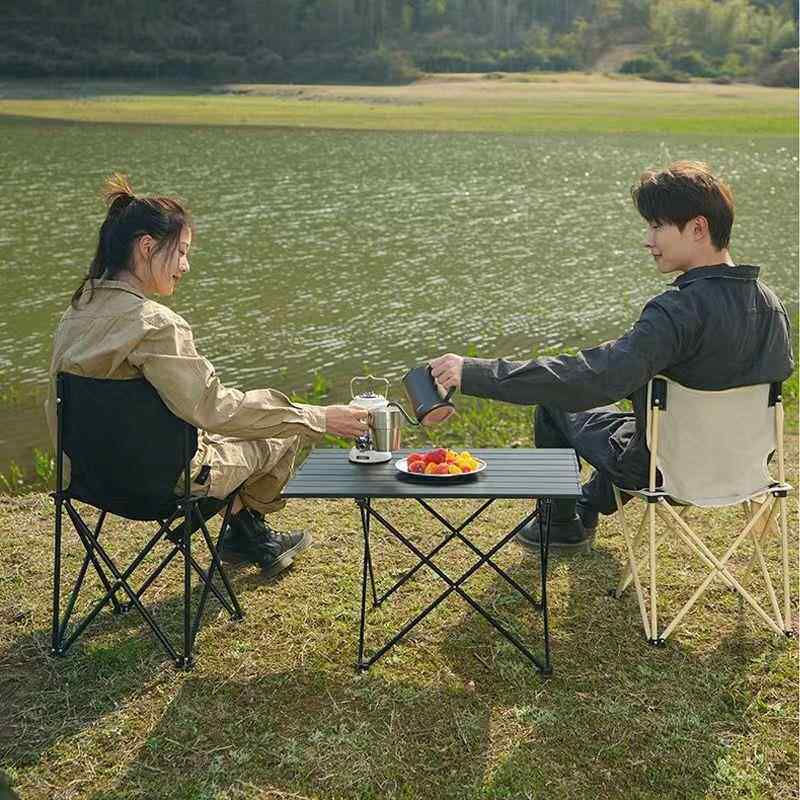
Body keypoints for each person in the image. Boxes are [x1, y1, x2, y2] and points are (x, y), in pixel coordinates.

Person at [429, 161, 794, 553]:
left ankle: (561, 524)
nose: (648, 240)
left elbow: (590, 381)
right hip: (744, 468)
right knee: (643, 425)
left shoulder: (676, 310)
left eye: (657, 226)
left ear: (698, 228)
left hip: (664, 471)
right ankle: (587, 504)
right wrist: (630, 354)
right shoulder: (771, 305)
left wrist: (473, 372)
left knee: (556, 403)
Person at [46, 173, 369, 576]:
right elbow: (215, 409)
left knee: (235, 428)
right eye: (181, 252)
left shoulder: (75, 313)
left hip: (88, 481)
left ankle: (247, 532)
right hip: (163, 487)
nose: (185, 265)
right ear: (146, 247)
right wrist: (319, 416)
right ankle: (247, 530)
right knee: (284, 426)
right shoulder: (155, 325)